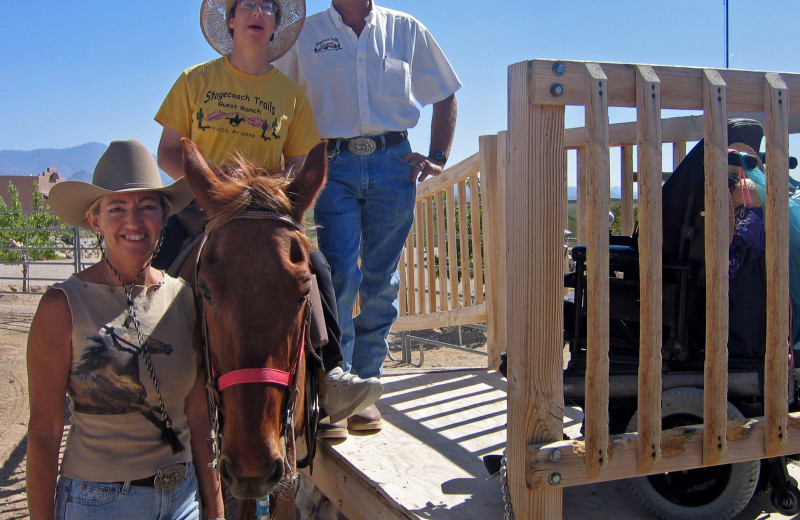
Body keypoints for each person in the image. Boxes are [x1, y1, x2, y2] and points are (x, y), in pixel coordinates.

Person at [154, 0, 382, 439]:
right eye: (247, 5)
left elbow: (298, 164)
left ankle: (330, 373)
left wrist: (264, 185)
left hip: (264, 208)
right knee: (159, 265)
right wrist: (208, 182)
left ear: (276, 24)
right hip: (204, 207)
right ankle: (143, 361)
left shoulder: (289, 93)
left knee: (314, 268)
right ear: (232, 19)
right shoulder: (194, 80)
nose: (257, 12)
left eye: (267, 7)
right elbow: (167, 151)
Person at [274, 0, 462, 431]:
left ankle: (369, 384)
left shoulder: (405, 29)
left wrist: (437, 156)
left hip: (394, 162)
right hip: (330, 162)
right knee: (338, 273)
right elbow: (279, 95)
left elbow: (445, 91)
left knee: (382, 277)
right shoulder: (305, 32)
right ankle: (336, 386)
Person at [26, 140, 225, 520]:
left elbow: (198, 415)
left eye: (147, 206)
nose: (133, 221)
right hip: (98, 503)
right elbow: (45, 432)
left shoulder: (183, 299)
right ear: (95, 220)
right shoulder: (62, 306)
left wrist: (214, 509)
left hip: (182, 500)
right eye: (117, 208)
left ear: (164, 217)